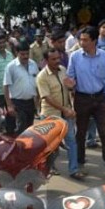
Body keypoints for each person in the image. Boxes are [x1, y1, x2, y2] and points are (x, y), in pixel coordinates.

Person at [65, 26, 105, 181]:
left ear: (94, 41)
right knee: (80, 133)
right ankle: (79, 163)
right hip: (82, 98)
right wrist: (70, 84)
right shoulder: (75, 57)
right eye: (80, 39)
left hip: (100, 99)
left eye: (85, 40)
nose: (81, 42)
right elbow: (70, 77)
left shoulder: (104, 57)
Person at [36, 48, 83, 180]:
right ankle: (50, 166)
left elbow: (68, 88)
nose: (57, 61)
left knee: (71, 141)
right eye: (53, 59)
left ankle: (74, 170)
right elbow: (47, 98)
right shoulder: (42, 76)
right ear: (46, 61)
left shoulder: (63, 70)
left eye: (58, 58)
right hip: (50, 115)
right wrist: (64, 109)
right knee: (52, 145)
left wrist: (71, 87)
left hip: (66, 113)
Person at [4, 41, 39, 134]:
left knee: (30, 128)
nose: (25, 56)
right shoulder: (11, 67)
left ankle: (28, 147)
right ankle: (19, 147)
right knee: (21, 128)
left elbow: (36, 84)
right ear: (16, 53)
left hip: (31, 102)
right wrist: (9, 106)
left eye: (27, 53)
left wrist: (37, 101)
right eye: (22, 54)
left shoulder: (33, 64)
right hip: (18, 103)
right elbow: (5, 86)